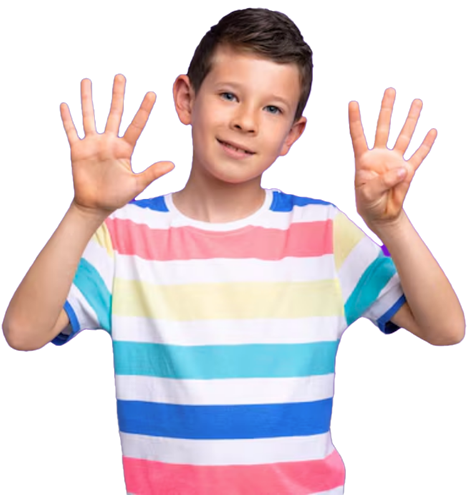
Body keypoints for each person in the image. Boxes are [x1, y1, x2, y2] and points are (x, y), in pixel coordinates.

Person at [2, 8, 405, 494]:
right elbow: (24, 333)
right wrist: (85, 211)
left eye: (272, 109)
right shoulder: (126, 234)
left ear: (292, 135)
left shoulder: (324, 231)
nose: (246, 122)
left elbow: (445, 328)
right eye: (229, 95)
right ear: (187, 99)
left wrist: (391, 223)